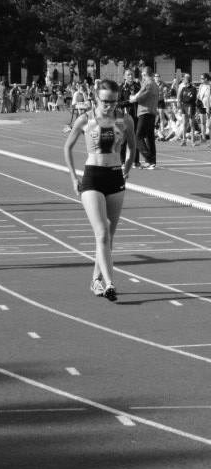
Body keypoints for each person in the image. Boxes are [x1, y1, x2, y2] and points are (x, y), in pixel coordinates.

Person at [64, 79, 135, 302]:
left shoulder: (125, 120)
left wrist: (126, 169)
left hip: (115, 177)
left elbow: (132, 147)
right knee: (102, 232)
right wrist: (73, 177)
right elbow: (67, 147)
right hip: (92, 178)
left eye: (113, 101)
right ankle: (110, 283)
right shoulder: (85, 119)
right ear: (96, 98)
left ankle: (96, 279)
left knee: (108, 237)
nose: (109, 106)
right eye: (105, 101)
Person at [129, 65, 159, 169]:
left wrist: (133, 98)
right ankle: (152, 161)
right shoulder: (155, 84)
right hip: (152, 112)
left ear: (145, 74)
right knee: (149, 138)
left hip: (145, 112)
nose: (142, 77)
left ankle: (149, 158)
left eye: (143, 74)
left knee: (138, 137)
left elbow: (140, 97)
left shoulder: (148, 83)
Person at [176, 74, 198, 148]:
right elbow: (181, 97)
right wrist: (180, 103)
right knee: (184, 123)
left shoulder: (193, 88)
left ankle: (193, 141)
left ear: (187, 80)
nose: (183, 80)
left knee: (191, 124)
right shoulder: (183, 88)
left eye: (184, 79)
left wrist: (186, 100)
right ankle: (184, 140)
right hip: (184, 107)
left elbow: (192, 98)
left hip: (191, 107)